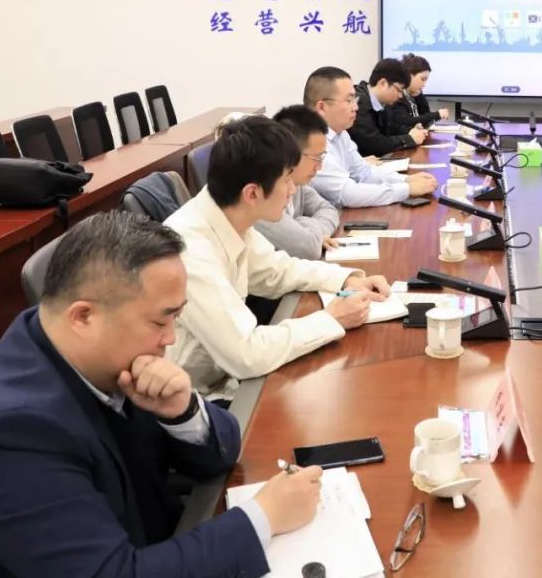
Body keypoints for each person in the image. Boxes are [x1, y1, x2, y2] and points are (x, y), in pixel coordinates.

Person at [0, 212, 323, 576]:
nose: (170, 338)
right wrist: (264, 517)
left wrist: (182, 411)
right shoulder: (12, 434)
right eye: (160, 321)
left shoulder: (100, 352)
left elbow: (223, 450)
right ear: (83, 317)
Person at [165, 115, 391, 402]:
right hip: (196, 401)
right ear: (252, 193)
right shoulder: (190, 251)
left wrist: (347, 279)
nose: (293, 190)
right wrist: (331, 318)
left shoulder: (228, 214)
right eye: (286, 180)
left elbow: (277, 270)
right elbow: (246, 355)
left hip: (227, 380)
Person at [305, 66, 438, 207]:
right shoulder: (310, 142)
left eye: (354, 100)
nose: (356, 107)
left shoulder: (340, 133)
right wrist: (407, 189)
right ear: (322, 107)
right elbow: (347, 194)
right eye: (348, 101)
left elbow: (364, 173)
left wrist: (406, 180)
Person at [254, 105, 340, 260]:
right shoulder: (262, 194)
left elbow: (328, 209)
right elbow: (308, 249)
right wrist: (307, 230)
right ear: (291, 151)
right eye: (316, 158)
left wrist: (306, 229)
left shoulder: (297, 183)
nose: (320, 166)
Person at [349, 58, 428, 156]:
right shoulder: (359, 103)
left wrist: (410, 130)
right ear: (383, 83)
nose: (400, 96)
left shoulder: (382, 102)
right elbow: (373, 144)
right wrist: (410, 139)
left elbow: (391, 129)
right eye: (399, 90)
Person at [387, 53, 449, 130]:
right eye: (422, 79)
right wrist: (436, 115)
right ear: (409, 76)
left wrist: (438, 115)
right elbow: (406, 121)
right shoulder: (397, 95)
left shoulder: (416, 95)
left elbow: (425, 118)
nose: (424, 84)